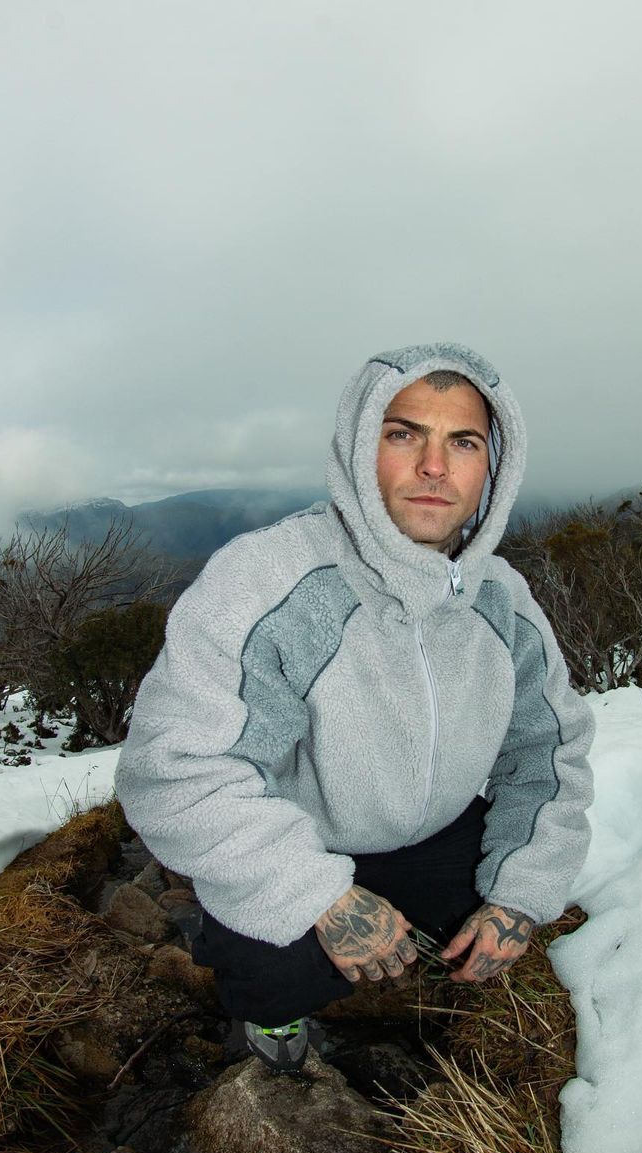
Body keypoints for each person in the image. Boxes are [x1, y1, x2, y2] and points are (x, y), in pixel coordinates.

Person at [115, 343, 595, 1071]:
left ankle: (426, 972)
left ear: (493, 466)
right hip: (300, 838)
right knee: (269, 968)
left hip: (434, 831)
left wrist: (520, 895)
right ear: (358, 444)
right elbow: (174, 771)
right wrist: (321, 897)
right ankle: (269, 1010)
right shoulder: (267, 582)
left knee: (496, 912)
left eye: (463, 442)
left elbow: (548, 753)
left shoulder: (501, 600)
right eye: (404, 434)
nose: (434, 466)